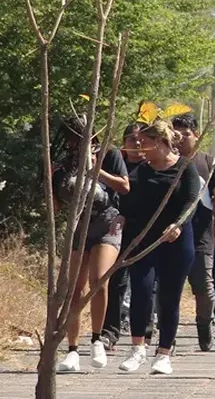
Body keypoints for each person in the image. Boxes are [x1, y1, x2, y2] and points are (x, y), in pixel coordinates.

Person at [115, 120, 203, 375]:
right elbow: (128, 199)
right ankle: (137, 348)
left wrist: (178, 223)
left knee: (169, 297)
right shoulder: (142, 171)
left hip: (176, 240)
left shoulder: (186, 168)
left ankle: (164, 352)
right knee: (141, 290)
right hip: (144, 240)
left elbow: (191, 201)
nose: (140, 147)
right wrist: (121, 216)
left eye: (145, 142)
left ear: (161, 142)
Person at [54, 116, 130, 373]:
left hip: (107, 224)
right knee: (75, 288)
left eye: (80, 137)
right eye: (72, 139)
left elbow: (124, 186)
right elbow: (56, 207)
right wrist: (50, 182)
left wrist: (98, 171)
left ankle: (97, 339)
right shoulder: (64, 164)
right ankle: (72, 349)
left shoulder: (110, 154)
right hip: (78, 227)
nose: (75, 143)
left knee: (99, 281)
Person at [172, 114, 215, 352]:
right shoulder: (166, 161)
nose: (181, 139)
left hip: (201, 235)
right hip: (171, 235)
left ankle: (204, 326)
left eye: (186, 134)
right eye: (176, 134)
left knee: (204, 288)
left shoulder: (207, 161)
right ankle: (168, 335)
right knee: (168, 288)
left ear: (196, 135)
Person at [102, 122, 143, 349]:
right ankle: (110, 331)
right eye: (131, 139)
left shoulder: (152, 167)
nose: (136, 143)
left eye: (140, 139)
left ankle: (144, 327)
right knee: (116, 281)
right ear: (123, 144)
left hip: (145, 229)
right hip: (118, 230)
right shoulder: (117, 166)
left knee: (144, 283)